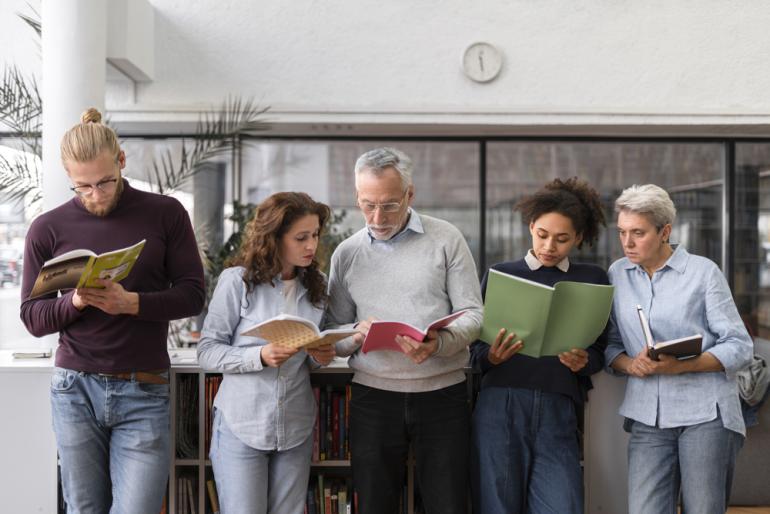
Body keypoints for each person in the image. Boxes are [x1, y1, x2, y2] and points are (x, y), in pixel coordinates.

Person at [20, 108, 206, 513]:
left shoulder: (166, 213)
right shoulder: (47, 228)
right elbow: (33, 318)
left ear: (122, 161)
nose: (95, 195)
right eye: (82, 187)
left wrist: (131, 303)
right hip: (74, 390)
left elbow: (193, 295)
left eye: (104, 181)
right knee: (84, 509)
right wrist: (76, 301)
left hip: (144, 387)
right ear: (68, 178)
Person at [325, 147, 483, 514]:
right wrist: (355, 335)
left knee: (448, 504)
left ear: (410, 195)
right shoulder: (346, 253)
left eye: (390, 205)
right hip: (373, 399)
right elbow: (333, 334)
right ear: (357, 198)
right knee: (374, 504)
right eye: (368, 205)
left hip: (443, 395)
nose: (377, 217)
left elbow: (473, 315)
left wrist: (439, 343)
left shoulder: (446, 238)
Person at [604, 184, 753, 514]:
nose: (627, 242)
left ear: (664, 231)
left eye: (638, 233)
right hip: (647, 417)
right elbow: (611, 343)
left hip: (706, 415)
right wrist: (630, 364)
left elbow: (740, 345)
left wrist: (683, 364)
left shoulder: (703, 273)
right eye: (622, 232)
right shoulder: (617, 274)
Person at [469, 177, 609, 514]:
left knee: (563, 504)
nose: (549, 246)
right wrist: (491, 355)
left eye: (562, 240)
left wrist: (583, 361)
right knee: (498, 506)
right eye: (542, 235)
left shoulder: (593, 279)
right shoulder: (501, 274)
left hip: (557, 408)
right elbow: (472, 349)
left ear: (578, 237)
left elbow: (600, 349)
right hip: (499, 405)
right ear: (531, 226)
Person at [197, 192, 336, 514]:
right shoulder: (237, 282)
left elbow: (314, 348)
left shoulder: (317, 286)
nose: (311, 246)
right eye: (301, 237)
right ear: (274, 238)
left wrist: (322, 354)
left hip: (296, 426)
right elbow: (207, 351)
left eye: (315, 235)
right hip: (241, 425)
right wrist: (258, 356)